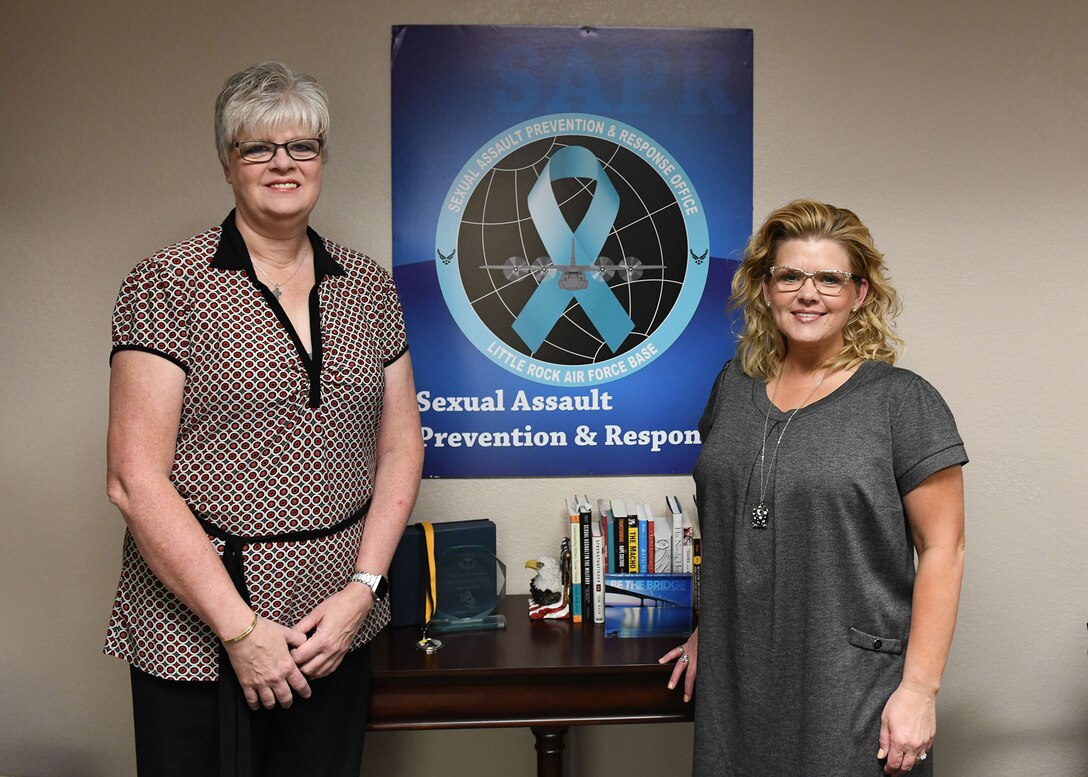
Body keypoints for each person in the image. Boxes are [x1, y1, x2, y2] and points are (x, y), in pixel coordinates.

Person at [104, 61, 423, 777]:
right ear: (228, 163)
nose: (284, 163)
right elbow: (133, 477)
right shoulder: (170, 281)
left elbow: (401, 448)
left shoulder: (369, 286)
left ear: (323, 159)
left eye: (302, 146)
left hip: (330, 627)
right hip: (196, 628)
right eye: (258, 147)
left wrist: (361, 591)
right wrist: (240, 628)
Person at [660, 199, 967, 776]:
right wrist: (710, 623)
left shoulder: (902, 401)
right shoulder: (733, 385)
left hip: (849, 684)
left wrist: (920, 691)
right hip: (738, 677)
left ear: (861, 293)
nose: (808, 293)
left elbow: (943, 549)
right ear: (765, 288)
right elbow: (729, 517)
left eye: (830, 278)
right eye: (791, 276)